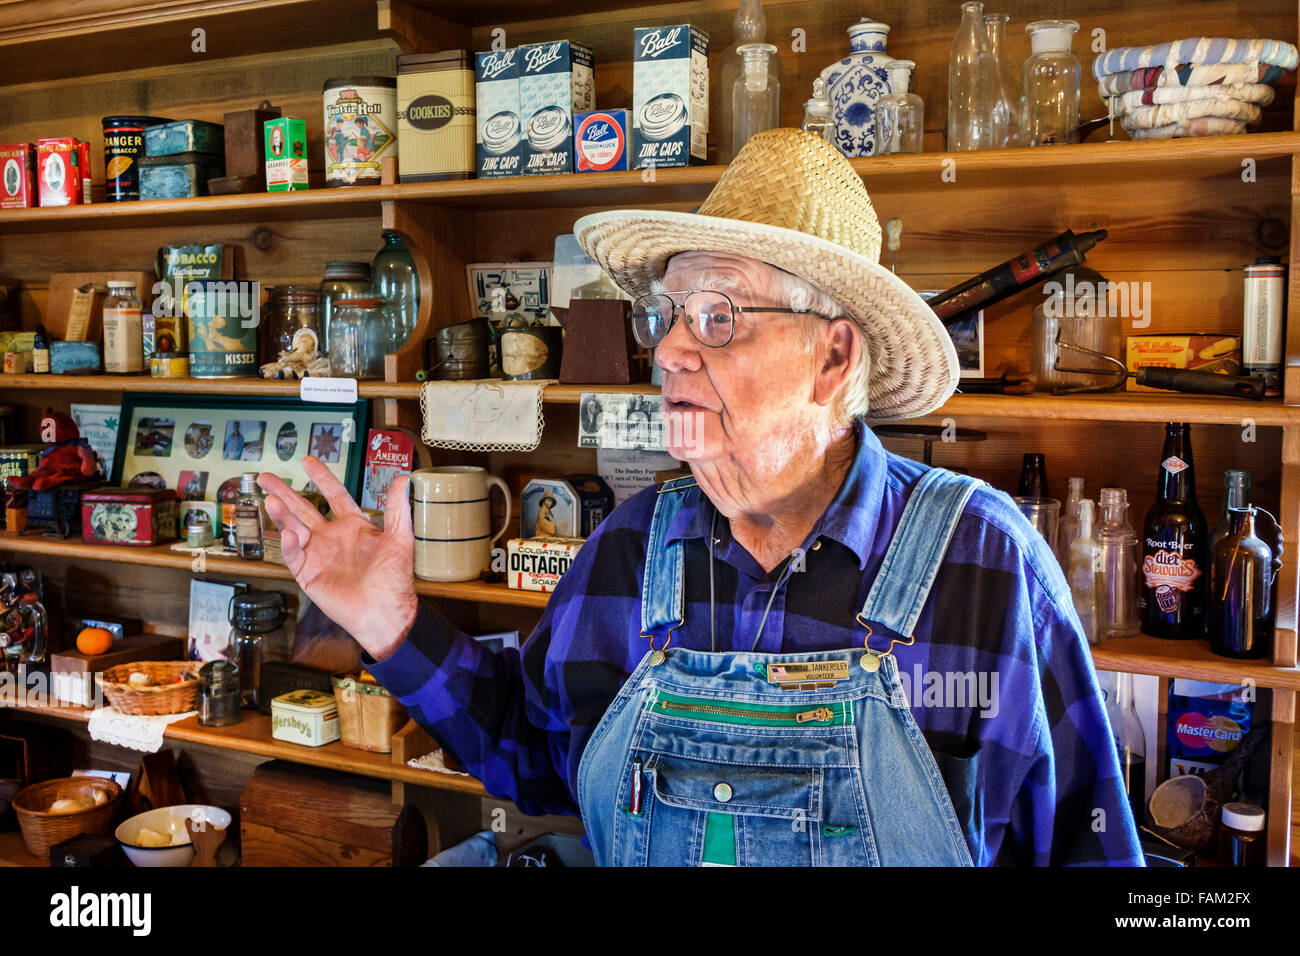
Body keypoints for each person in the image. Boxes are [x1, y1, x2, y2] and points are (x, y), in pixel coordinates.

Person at [259, 129, 1143, 867]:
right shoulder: (634, 546)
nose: (673, 351)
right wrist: (394, 626)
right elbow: (536, 760)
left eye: (717, 314)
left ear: (833, 358)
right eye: (669, 314)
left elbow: (1088, 847)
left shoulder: (984, 564)